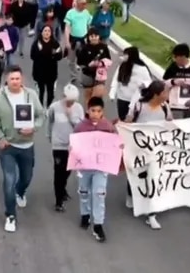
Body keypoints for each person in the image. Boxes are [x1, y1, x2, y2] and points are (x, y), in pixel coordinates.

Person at [0, 65, 47, 233]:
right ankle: (10, 215)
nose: (15, 81)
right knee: (9, 181)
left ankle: (20, 191)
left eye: (18, 78)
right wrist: (0, 137)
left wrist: (34, 127)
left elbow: (40, 115)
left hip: (27, 145)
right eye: (12, 79)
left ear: (22, 80)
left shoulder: (31, 95)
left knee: (26, 177)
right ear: (6, 79)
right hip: (8, 146)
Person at [124, 80, 171, 229]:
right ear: (157, 94)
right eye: (165, 92)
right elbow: (128, 122)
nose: (167, 94)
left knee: (154, 180)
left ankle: (151, 214)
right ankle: (131, 194)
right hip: (138, 149)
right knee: (137, 175)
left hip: (157, 151)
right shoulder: (139, 106)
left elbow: (171, 123)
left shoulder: (165, 107)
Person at [74, 96, 116, 242]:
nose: (95, 114)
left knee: (99, 194)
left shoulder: (108, 126)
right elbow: (74, 145)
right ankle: (85, 214)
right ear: (88, 110)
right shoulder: (81, 127)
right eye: (93, 110)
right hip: (85, 166)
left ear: (102, 111)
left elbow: (114, 143)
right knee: (84, 191)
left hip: (100, 167)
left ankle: (98, 224)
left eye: (99, 111)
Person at [47, 84, 84, 211]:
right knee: (58, 172)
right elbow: (50, 121)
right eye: (68, 100)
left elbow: (80, 127)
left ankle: (62, 189)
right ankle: (58, 200)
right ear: (63, 97)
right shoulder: (54, 107)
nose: (70, 103)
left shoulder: (78, 108)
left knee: (68, 170)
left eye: (73, 101)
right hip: (58, 145)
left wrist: (71, 116)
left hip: (73, 145)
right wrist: (49, 135)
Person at [162, 43, 190, 119]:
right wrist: (173, 82)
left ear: (183, 57)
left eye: (176, 57)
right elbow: (163, 83)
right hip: (175, 106)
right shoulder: (172, 67)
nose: (175, 59)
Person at [109, 46, 152, 120]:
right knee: (122, 118)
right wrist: (112, 93)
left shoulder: (142, 68)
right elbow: (116, 79)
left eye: (126, 54)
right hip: (122, 98)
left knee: (133, 120)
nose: (124, 56)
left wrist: (143, 85)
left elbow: (149, 81)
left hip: (135, 100)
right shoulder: (122, 66)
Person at [76, 28, 112, 106]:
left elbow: (109, 59)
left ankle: (97, 113)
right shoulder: (84, 48)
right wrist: (88, 65)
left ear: (99, 37)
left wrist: (102, 63)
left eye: (96, 36)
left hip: (100, 75)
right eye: (92, 36)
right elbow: (79, 62)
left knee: (97, 96)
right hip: (87, 74)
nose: (94, 38)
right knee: (88, 96)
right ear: (88, 37)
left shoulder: (104, 47)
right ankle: (89, 113)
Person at [30, 25, 63, 107]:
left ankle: (49, 107)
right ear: (41, 32)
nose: (47, 33)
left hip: (51, 72)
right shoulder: (36, 43)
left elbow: (59, 56)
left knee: (50, 93)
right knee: (40, 92)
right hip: (39, 72)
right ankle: (40, 108)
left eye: (49, 31)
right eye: (45, 31)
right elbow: (32, 56)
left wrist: (54, 55)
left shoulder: (55, 44)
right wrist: (40, 52)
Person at [64, 0, 92, 82]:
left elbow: (88, 25)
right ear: (78, 3)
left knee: (84, 61)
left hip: (83, 39)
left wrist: (90, 39)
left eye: (85, 3)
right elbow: (67, 28)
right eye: (83, 4)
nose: (85, 5)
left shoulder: (86, 13)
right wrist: (67, 41)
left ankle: (83, 78)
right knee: (71, 61)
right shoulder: (70, 13)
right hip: (73, 39)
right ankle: (73, 76)